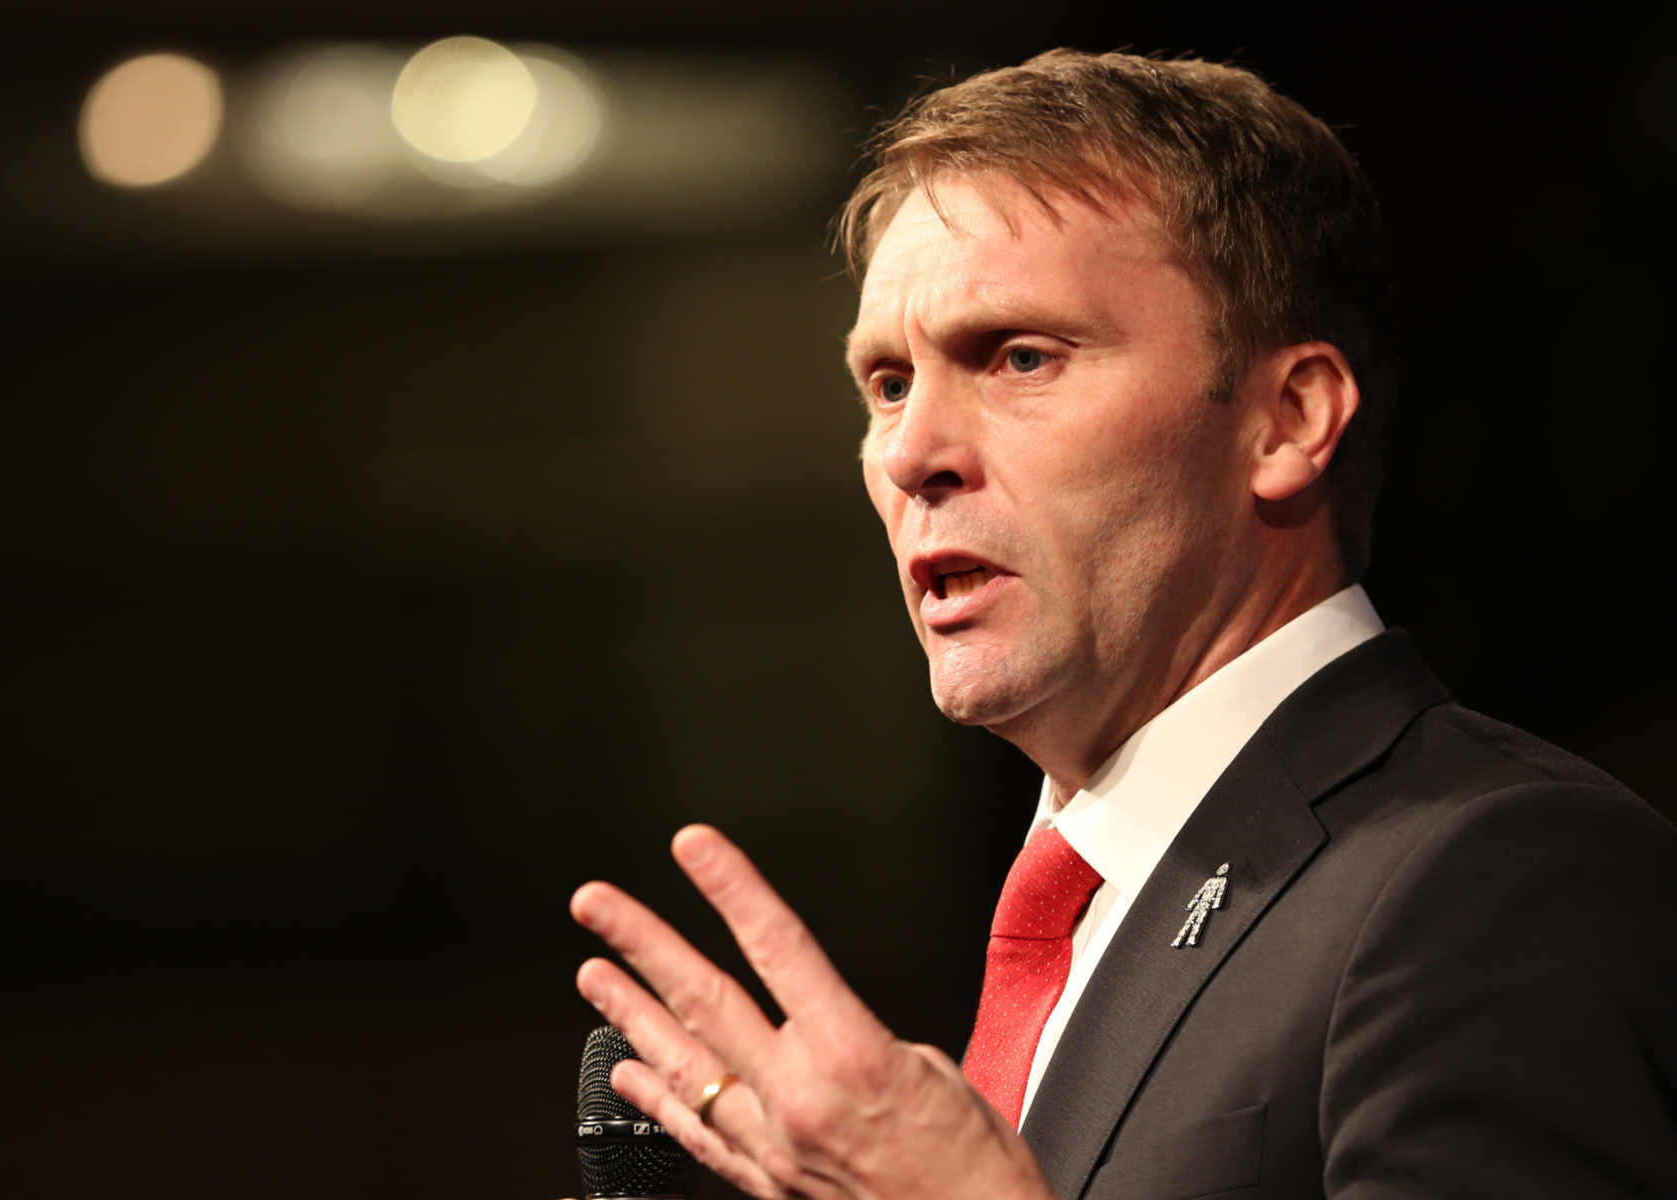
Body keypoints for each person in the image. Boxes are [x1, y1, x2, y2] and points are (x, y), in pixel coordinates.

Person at [567, 50, 1677, 1199]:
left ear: (1286, 420)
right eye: (887, 383)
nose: (908, 455)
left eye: (1019, 357)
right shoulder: (1099, 902)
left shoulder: (1498, 874)